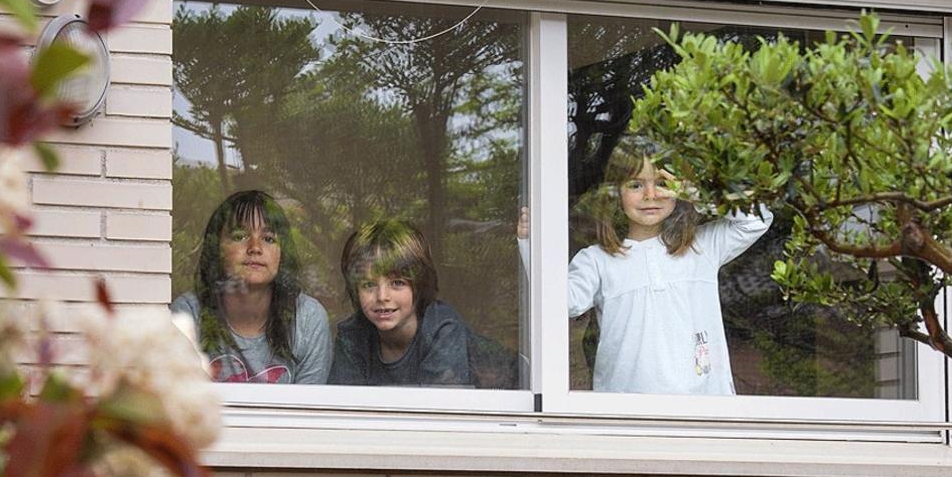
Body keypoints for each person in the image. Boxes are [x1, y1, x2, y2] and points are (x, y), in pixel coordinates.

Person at [519, 145, 771, 394]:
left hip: (703, 411)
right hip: (627, 414)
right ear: (617, 193)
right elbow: (563, 303)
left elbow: (756, 220)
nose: (650, 194)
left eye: (662, 183)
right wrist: (534, 244)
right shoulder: (598, 260)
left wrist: (693, 192)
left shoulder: (701, 246)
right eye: (636, 185)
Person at [172, 190, 331, 384]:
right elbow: (184, 405)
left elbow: (307, 411)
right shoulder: (189, 314)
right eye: (240, 236)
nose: (255, 247)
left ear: (282, 255)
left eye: (269, 238)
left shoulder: (307, 319)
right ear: (217, 249)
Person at [328, 219, 477, 387]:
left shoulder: (442, 330)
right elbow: (346, 406)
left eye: (397, 283)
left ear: (420, 285)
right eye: (368, 285)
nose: (382, 296)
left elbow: (438, 409)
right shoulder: (353, 335)